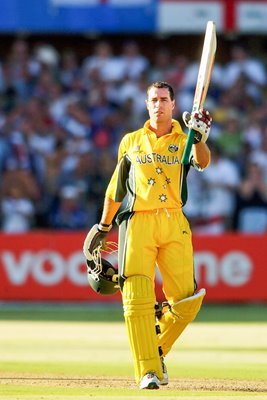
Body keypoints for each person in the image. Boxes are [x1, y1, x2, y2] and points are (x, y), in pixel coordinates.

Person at [83, 81, 212, 389]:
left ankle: (155, 348)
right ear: (146, 104)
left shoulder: (185, 139)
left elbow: (203, 162)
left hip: (174, 221)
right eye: (153, 99)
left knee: (186, 299)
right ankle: (147, 372)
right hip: (137, 222)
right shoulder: (131, 141)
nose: (158, 104)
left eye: (164, 99)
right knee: (136, 299)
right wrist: (103, 226)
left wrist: (201, 137)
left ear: (173, 104)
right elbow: (116, 189)